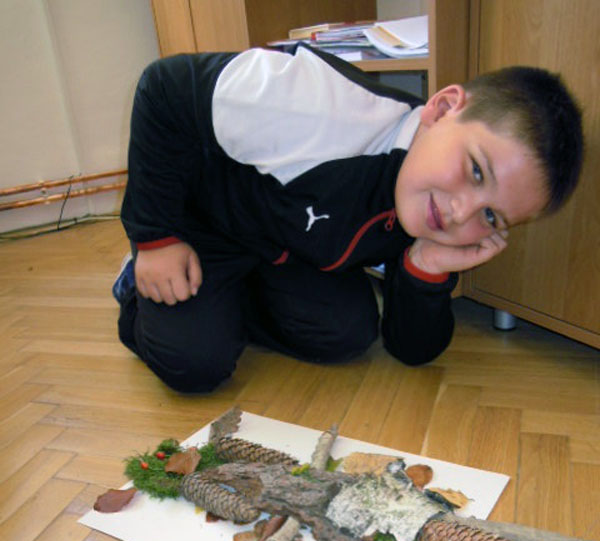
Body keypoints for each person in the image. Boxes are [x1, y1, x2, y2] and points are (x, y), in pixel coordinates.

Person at [114, 44, 583, 393]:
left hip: (282, 251)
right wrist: (156, 236)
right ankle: (135, 283)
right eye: (476, 170)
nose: (461, 212)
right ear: (442, 109)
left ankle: (227, 304)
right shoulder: (316, 103)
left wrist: (427, 266)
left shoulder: (434, 209)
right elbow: (163, 87)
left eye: (491, 216)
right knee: (194, 363)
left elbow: (411, 349)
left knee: (347, 334)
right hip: (202, 227)